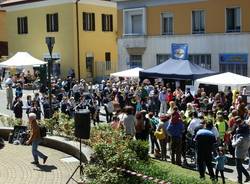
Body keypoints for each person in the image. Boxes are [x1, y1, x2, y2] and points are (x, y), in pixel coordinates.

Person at [232, 116, 250, 184]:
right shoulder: (248, 134)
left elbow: (234, 145)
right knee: (239, 166)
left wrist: (233, 138)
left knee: (238, 167)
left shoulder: (241, 137)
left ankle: (241, 179)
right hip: (244, 151)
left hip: (239, 153)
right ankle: (243, 178)